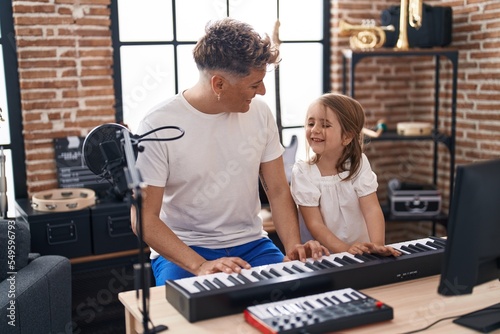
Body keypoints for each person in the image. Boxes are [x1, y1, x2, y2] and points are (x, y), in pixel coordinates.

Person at [132, 18, 328, 285]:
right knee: (188, 319)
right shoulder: (157, 124)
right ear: (218, 85)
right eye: (253, 84)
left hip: (252, 245)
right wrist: (201, 265)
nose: (262, 90)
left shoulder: (260, 113)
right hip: (186, 250)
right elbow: (143, 218)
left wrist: (293, 244)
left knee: (301, 293)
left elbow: (278, 190)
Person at [290, 93, 401, 257]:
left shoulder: (359, 164)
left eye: (326, 125)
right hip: (322, 256)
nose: (314, 130)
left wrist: (377, 245)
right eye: (310, 123)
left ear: (347, 136)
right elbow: (315, 224)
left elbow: (372, 209)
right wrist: (345, 249)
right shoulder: (303, 172)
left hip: (361, 253)